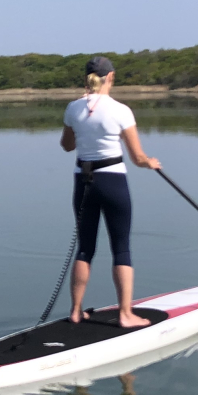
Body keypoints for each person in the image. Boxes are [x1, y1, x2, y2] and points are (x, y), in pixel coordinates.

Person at [60, 56, 161, 327]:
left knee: (85, 249)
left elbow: (67, 146)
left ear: (86, 79)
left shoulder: (72, 108)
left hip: (83, 182)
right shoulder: (121, 110)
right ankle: (126, 315)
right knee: (121, 249)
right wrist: (150, 163)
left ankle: (76, 311)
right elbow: (138, 158)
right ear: (111, 77)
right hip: (113, 182)